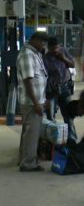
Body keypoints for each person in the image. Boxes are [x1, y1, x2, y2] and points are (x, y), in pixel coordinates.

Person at [17, 31, 48, 172]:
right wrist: (36, 103)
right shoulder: (27, 54)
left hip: (36, 100)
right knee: (32, 133)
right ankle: (28, 163)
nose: (43, 45)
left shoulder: (35, 53)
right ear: (34, 40)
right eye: (42, 42)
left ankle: (24, 159)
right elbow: (28, 80)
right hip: (31, 102)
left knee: (29, 132)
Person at [43, 37, 76, 140]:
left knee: (68, 114)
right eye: (52, 49)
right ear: (48, 48)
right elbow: (44, 76)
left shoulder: (63, 52)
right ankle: (53, 141)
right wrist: (46, 97)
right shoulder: (46, 58)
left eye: (56, 48)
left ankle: (72, 140)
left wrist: (63, 58)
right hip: (52, 90)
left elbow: (73, 64)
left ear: (59, 46)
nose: (55, 51)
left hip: (65, 87)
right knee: (51, 117)